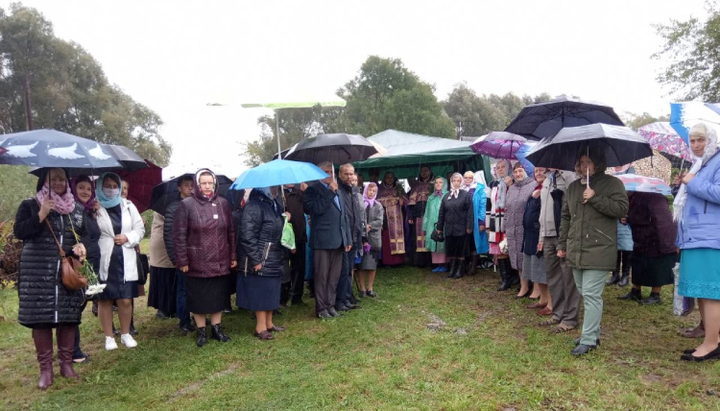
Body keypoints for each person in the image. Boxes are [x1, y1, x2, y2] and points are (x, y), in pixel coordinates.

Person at [15, 168, 88, 389]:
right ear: (44, 181)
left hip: (67, 271)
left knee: (68, 317)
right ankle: (45, 370)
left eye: (62, 179)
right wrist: (41, 214)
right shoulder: (30, 205)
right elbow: (20, 232)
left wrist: (81, 245)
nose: (58, 182)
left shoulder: (75, 209)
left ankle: (66, 364)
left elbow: (85, 233)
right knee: (41, 319)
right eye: (53, 178)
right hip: (38, 271)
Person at [558, 149, 629, 356]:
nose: (583, 166)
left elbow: (622, 209)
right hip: (576, 248)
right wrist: (562, 243)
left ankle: (588, 340)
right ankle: (593, 332)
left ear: (597, 164)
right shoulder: (572, 188)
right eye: (581, 162)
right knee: (584, 292)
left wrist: (595, 198)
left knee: (591, 294)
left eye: (588, 162)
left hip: (600, 247)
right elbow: (566, 217)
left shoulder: (612, 184)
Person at [172, 169, 236, 347]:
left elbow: (231, 231)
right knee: (198, 298)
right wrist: (182, 260)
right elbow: (179, 235)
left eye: (210, 183)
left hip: (220, 258)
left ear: (214, 184)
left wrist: (233, 255)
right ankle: (201, 331)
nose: (207, 187)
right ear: (197, 185)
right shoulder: (187, 205)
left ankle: (217, 328)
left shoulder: (223, 203)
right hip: (196, 260)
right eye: (203, 183)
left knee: (218, 296)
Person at [674, 123, 720, 361]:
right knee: (701, 291)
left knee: (711, 292)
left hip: (711, 236)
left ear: (711, 138)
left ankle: (712, 344)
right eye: (692, 141)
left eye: (700, 139)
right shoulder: (701, 164)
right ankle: (710, 339)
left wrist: (693, 182)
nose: (696, 145)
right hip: (694, 236)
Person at [94, 173, 144, 351]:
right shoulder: (94, 207)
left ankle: (125, 333)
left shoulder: (129, 206)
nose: (112, 189)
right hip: (105, 257)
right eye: (107, 185)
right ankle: (109, 336)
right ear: (100, 186)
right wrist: (92, 213)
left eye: (115, 186)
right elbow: (88, 230)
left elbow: (140, 229)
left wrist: (127, 237)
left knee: (125, 299)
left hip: (125, 257)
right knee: (105, 299)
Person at [237, 187, 286, 340]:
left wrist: (285, 218)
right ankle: (260, 328)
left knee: (271, 290)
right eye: (272, 187)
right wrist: (255, 259)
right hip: (260, 255)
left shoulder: (273, 204)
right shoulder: (253, 206)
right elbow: (247, 234)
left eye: (276, 187)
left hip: (273, 254)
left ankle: (269, 323)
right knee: (261, 292)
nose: (275, 190)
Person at [304, 162, 351, 319]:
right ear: (319, 173)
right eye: (326, 171)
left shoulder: (339, 191)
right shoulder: (312, 190)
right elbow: (317, 209)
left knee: (334, 276)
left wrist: (347, 239)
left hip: (338, 240)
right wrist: (330, 192)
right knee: (322, 276)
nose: (330, 174)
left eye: (331, 171)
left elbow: (343, 217)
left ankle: (330, 305)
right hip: (322, 241)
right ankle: (321, 307)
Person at [538, 168, 580, 333]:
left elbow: (574, 201)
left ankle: (570, 318)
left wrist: (563, 171)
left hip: (564, 235)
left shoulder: (570, 176)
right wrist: (541, 237)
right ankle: (558, 313)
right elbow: (543, 210)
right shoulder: (548, 179)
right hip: (548, 234)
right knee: (554, 277)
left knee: (568, 277)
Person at [618, 192, 677, 304]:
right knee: (637, 264)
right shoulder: (633, 198)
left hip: (656, 238)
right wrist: (627, 219)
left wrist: (666, 243)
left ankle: (655, 295)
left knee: (657, 267)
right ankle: (636, 291)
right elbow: (637, 216)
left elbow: (663, 220)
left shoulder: (655, 198)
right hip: (640, 238)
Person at [69, 175, 100, 364]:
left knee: (79, 306)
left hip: (89, 265)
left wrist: (94, 214)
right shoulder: (71, 211)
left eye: (88, 189)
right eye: (81, 187)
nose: (85, 192)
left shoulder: (86, 211)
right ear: (73, 188)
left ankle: (72, 349)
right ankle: (74, 352)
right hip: (77, 265)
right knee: (74, 307)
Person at [163, 175, 195, 335]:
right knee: (183, 290)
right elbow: (169, 236)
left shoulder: (198, 205)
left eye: (192, 185)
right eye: (187, 185)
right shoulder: (173, 208)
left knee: (198, 288)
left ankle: (198, 315)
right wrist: (176, 259)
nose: (190, 188)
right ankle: (184, 320)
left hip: (198, 256)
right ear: (179, 188)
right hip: (182, 256)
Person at [522, 168, 552, 315]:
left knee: (545, 270)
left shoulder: (549, 188)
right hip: (530, 234)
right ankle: (543, 300)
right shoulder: (535, 189)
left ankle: (552, 303)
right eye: (536, 171)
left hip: (542, 233)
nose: (538, 173)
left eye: (541, 170)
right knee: (536, 269)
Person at [505, 163, 537, 299]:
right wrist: (505, 226)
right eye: (516, 172)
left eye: (520, 171)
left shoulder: (533, 185)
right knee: (517, 257)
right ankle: (523, 285)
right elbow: (507, 208)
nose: (518, 174)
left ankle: (536, 287)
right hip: (512, 228)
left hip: (526, 228)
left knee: (529, 257)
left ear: (525, 171)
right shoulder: (511, 188)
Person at [336, 164, 365, 312]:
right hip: (344, 238)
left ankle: (347, 297)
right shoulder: (338, 191)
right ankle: (340, 300)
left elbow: (356, 215)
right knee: (343, 270)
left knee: (349, 270)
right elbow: (343, 218)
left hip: (354, 236)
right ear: (340, 174)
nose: (349, 177)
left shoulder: (352, 191)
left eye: (351, 174)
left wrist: (360, 236)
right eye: (346, 174)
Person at [436, 173, 473, 279]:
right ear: (451, 182)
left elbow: (470, 212)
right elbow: (441, 213)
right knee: (451, 249)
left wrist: (469, 226)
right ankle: (452, 269)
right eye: (454, 181)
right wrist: (439, 228)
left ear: (461, 182)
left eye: (458, 181)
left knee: (461, 249)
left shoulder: (465, 195)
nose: (456, 183)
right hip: (449, 228)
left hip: (461, 227)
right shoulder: (446, 196)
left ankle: (460, 270)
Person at [488, 160, 516, 291]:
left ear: (508, 168)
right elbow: (489, 205)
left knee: (511, 249)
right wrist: (488, 224)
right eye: (497, 167)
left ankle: (515, 277)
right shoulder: (492, 184)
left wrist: (510, 186)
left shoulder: (514, 183)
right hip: (495, 221)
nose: (500, 169)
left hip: (509, 220)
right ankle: (505, 279)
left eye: (503, 167)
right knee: (499, 251)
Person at [148, 207, 177, 321]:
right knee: (164, 275)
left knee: (170, 275)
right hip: (163, 241)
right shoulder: (165, 204)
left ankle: (171, 307)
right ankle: (163, 308)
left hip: (165, 240)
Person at [283, 183, 308, 306]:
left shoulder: (299, 193)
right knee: (283, 267)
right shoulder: (278, 193)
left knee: (299, 267)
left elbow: (308, 209)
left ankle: (297, 296)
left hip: (299, 235)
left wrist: (306, 193)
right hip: (283, 238)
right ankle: (282, 296)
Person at [358, 182, 384, 297]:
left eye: (373, 191)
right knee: (361, 265)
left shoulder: (378, 206)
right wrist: (363, 227)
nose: (371, 193)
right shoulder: (360, 204)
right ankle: (362, 288)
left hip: (374, 239)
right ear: (365, 190)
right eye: (369, 190)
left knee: (372, 265)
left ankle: (370, 287)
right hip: (362, 239)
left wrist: (370, 226)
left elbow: (380, 221)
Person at [377, 172, 407, 266]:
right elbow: (377, 201)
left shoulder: (399, 188)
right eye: (387, 177)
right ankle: (387, 261)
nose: (389, 179)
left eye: (391, 177)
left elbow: (407, 199)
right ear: (384, 179)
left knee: (398, 237)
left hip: (398, 218)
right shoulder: (380, 189)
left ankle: (398, 261)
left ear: (394, 178)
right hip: (385, 217)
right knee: (386, 239)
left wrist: (402, 200)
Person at [407, 165, 434, 267]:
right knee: (417, 238)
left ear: (430, 171)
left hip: (430, 216)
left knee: (429, 237)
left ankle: (429, 261)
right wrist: (410, 216)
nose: (424, 173)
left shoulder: (433, 184)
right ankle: (418, 262)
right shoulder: (416, 186)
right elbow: (411, 203)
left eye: (426, 170)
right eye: (422, 171)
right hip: (417, 216)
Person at [423, 177, 449, 272]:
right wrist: (425, 225)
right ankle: (438, 264)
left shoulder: (447, 195)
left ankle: (445, 263)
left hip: (443, 223)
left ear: (445, 184)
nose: (438, 184)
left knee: (442, 243)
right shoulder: (431, 197)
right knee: (434, 241)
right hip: (431, 223)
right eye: (436, 183)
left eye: (440, 182)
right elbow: (427, 212)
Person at [470, 172, 489, 275]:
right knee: (468, 242)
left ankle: (474, 266)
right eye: (466, 177)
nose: (468, 179)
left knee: (474, 243)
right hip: (467, 221)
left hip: (476, 220)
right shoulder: (464, 188)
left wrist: (481, 221)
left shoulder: (480, 190)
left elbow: (482, 206)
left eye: (471, 177)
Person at [607, 217, 633, 286]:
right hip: (615, 223)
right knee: (615, 250)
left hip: (627, 225)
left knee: (627, 248)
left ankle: (625, 276)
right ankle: (615, 275)